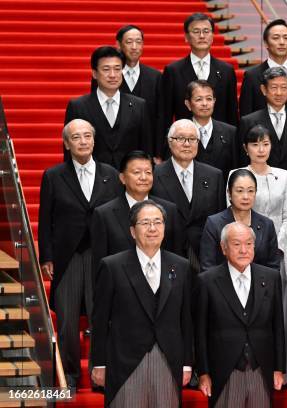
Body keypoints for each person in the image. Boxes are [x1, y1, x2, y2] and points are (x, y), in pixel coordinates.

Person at [38, 119, 122, 388]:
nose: (83, 141)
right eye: (77, 137)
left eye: (88, 136)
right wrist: (47, 257)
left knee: (102, 315)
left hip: (103, 255)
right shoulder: (53, 175)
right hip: (68, 257)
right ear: (66, 143)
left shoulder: (111, 174)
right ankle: (70, 376)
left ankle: (101, 375)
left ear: (94, 141)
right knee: (66, 322)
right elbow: (46, 219)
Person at [91, 200, 193, 407]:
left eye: (158, 222)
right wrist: (99, 363)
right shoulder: (112, 266)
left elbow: (186, 319)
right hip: (125, 362)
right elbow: (100, 320)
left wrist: (187, 363)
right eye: (145, 223)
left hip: (168, 359)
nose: (152, 228)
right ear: (132, 231)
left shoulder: (181, 266)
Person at [195, 222, 285, 407]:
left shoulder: (271, 277)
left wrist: (279, 368)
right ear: (224, 248)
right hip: (224, 370)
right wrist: (203, 373)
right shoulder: (207, 281)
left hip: (261, 367)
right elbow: (200, 331)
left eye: (249, 244)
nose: (244, 250)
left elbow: (278, 326)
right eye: (236, 244)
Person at [91, 150, 185, 275]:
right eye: (136, 172)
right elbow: (99, 265)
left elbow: (176, 257)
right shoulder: (104, 214)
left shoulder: (169, 210)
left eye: (148, 172)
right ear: (123, 178)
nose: (143, 177)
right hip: (120, 287)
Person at [151, 120, 225, 273]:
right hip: (167, 253)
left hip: (205, 256)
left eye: (192, 139)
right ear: (170, 142)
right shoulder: (154, 175)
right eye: (180, 138)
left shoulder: (214, 175)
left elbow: (220, 219)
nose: (187, 144)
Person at [65, 46, 151, 168]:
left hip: (129, 179)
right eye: (106, 69)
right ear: (94, 73)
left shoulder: (139, 105)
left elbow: (146, 148)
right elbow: (70, 150)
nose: (112, 75)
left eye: (117, 69)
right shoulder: (78, 107)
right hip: (93, 180)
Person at [238, 67, 287, 210]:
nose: (279, 93)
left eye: (283, 87)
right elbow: (242, 161)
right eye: (274, 87)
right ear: (264, 90)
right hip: (257, 193)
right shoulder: (249, 121)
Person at [91, 25, 163, 159]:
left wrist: (158, 153)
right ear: (118, 44)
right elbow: (95, 109)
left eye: (139, 42)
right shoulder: (105, 75)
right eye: (129, 42)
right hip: (109, 149)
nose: (134, 46)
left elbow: (160, 117)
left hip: (143, 148)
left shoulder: (155, 76)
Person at [162, 12, 238, 132]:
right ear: (186, 37)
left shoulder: (226, 71)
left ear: (212, 36)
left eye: (206, 31)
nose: (202, 36)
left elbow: (232, 114)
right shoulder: (173, 71)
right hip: (184, 141)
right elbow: (165, 116)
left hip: (220, 143)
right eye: (196, 31)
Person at [199, 169, 280, 272]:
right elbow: (207, 267)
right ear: (229, 193)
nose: (246, 197)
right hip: (223, 285)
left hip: (259, 286)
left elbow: (273, 267)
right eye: (240, 191)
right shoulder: (214, 224)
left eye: (250, 191)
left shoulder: (267, 225)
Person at [239, 19, 287, 119]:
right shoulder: (252, 76)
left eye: (286, 38)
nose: (282, 42)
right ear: (266, 43)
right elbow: (245, 117)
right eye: (276, 38)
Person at [228, 125, 287, 234]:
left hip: (279, 240)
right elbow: (232, 213)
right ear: (246, 148)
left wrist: (279, 243)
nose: (261, 150)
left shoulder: (284, 175)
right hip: (246, 239)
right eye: (255, 145)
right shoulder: (236, 175)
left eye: (266, 144)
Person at [185, 80, 238, 181]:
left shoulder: (230, 132)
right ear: (188, 104)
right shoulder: (178, 132)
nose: (205, 104)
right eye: (199, 99)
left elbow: (235, 169)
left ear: (214, 101)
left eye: (209, 99)